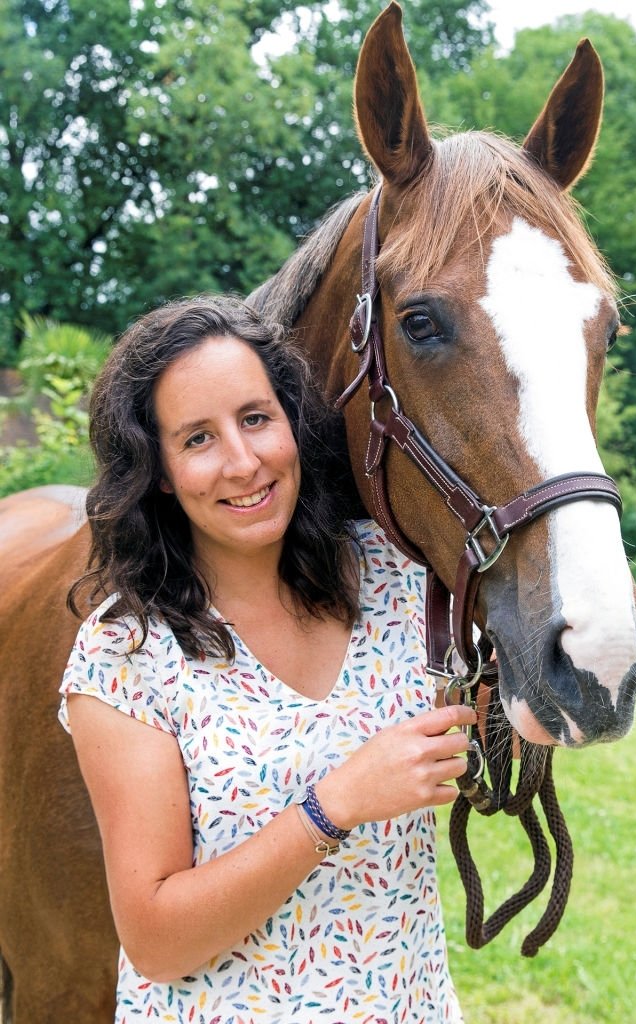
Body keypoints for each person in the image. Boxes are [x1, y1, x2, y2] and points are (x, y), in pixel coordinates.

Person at [59, 294, 476, 1024]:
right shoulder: (126, 652)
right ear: (157, 470)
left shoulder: (397, 579)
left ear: (292, 423)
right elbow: (157, 943)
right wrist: (336, 803)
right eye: (197, 439)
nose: (243, 462)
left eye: (256, 418)